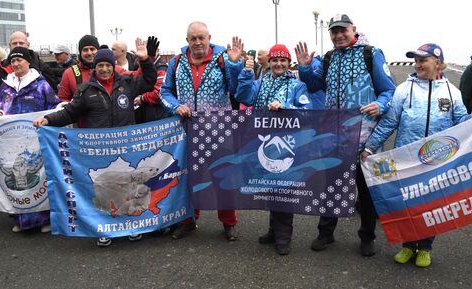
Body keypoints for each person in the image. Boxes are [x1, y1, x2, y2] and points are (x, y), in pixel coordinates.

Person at [33, 38, 158, 247]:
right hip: (100, 154)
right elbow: (69, 113)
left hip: (125, 151)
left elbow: (149, 80)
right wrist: (48, 120)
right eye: (100, 65)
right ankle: (104, 228)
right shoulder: (86, 91)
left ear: (113, 66)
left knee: (128, 189)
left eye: (108, 65)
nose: (104, 69)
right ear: (95, 67)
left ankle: (131, 226)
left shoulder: (126, 84)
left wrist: (144, 60)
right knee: (106, 192)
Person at [295, 13, 396, 256]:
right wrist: (306, 67)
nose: (339, 35)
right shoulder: (329, 58)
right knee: (331, 186)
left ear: (353, 29)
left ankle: (367, 236)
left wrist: (380, 105)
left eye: (343, 30)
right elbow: (315, 85)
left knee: (366, 188)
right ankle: (326, 233)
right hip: (334, 136)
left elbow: (389, 90)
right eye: (334, 31)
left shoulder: (371, 54)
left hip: (365, 136)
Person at [361, 43, 470, 267]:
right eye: (416, 60)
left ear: (437, 63)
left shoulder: (452, 92)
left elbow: (463, 123)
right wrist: (370, 147)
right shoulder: (404, 89)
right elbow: (389, 121)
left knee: (431, 205)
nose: (418, 64)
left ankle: (426, 247)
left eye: (423, 60)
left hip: (438, 159)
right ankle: (408, 246)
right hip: (407, 158)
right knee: (407, 203)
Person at [160, 21, 244, 241]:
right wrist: (176, 106)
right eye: (193, 38)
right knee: (188, 177)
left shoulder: (223, 59)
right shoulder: (177, 62)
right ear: (187, 40)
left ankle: (228, 222)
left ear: (209, 38)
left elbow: (236, 91)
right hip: (187, 130)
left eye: (201, 37)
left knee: (223, 176)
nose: (197, 42)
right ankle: (188, 220)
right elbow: (165, 91)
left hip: (220, 130)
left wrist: (235, 66)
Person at [234, 44, 311, 255]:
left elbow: (307, 113)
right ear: (269, 62)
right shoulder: (260, 82)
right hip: (262, 145)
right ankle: (273, 231)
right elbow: (244, 96)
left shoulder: (297, 86)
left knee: (284, 191)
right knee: (269, 189)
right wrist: (246, 73)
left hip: (286, 148)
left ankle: (284, 237)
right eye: (275, 60)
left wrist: (287, 108)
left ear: (288, 63)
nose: (278, 64)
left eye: (282, 60)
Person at [0, 47, 59, 233]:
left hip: (35, 141)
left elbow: (53, 105)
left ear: (28, 62)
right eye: (13, 61)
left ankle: (44, 219)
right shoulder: (6, 85)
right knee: (15, 178)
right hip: (12, 143)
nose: (15, 64)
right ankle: (21, 219)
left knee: (38, 177)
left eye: (19, 60)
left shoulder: (40, 84)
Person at [0, 31, 57, 95]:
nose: (18, 46)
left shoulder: (41, 66)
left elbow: (52, 93)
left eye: (21, 43)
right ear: (10, 45)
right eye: (14, 43)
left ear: (28, 45)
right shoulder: (1, 68)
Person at [134, 48, 170, 124]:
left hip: (157, 115)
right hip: (146, 113)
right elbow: (135, 79)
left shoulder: (162, 68)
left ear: (157, 51)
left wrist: (142, 98)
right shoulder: (145, 66)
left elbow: (159, 93)